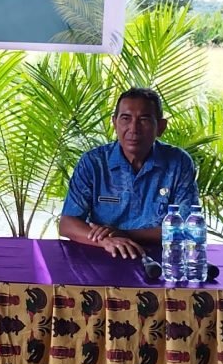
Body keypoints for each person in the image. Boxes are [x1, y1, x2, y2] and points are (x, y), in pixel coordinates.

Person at [59, 87, 198, 258]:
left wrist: (124, 234)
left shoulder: (178, 163)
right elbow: (67, 224)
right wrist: (105, 241)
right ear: (114, 123)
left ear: (161, 127)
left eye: (144, 119)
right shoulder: (94, 163)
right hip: (104, 255)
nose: (134, 128)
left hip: (163, 260)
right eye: (125, 118)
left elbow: (187, 227)